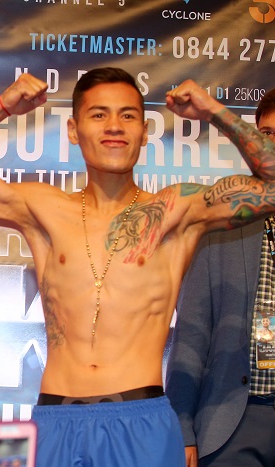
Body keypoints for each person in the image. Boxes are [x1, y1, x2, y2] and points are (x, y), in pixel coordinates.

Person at [0, 68, 275, 466]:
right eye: (99, 115)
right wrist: (1, 108)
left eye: (128, 115)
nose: (114, 127)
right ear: (73, 129)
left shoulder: (176, 213)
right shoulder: (45, 210)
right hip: (53, 420)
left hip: (142, 422)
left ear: (144, 130)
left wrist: (213, 111)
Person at [166, 88, 275, 466]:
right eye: (265, 134)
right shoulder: (220, 221)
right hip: (232, 419)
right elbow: (192, 332)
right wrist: (182, 427)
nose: (271, 145)